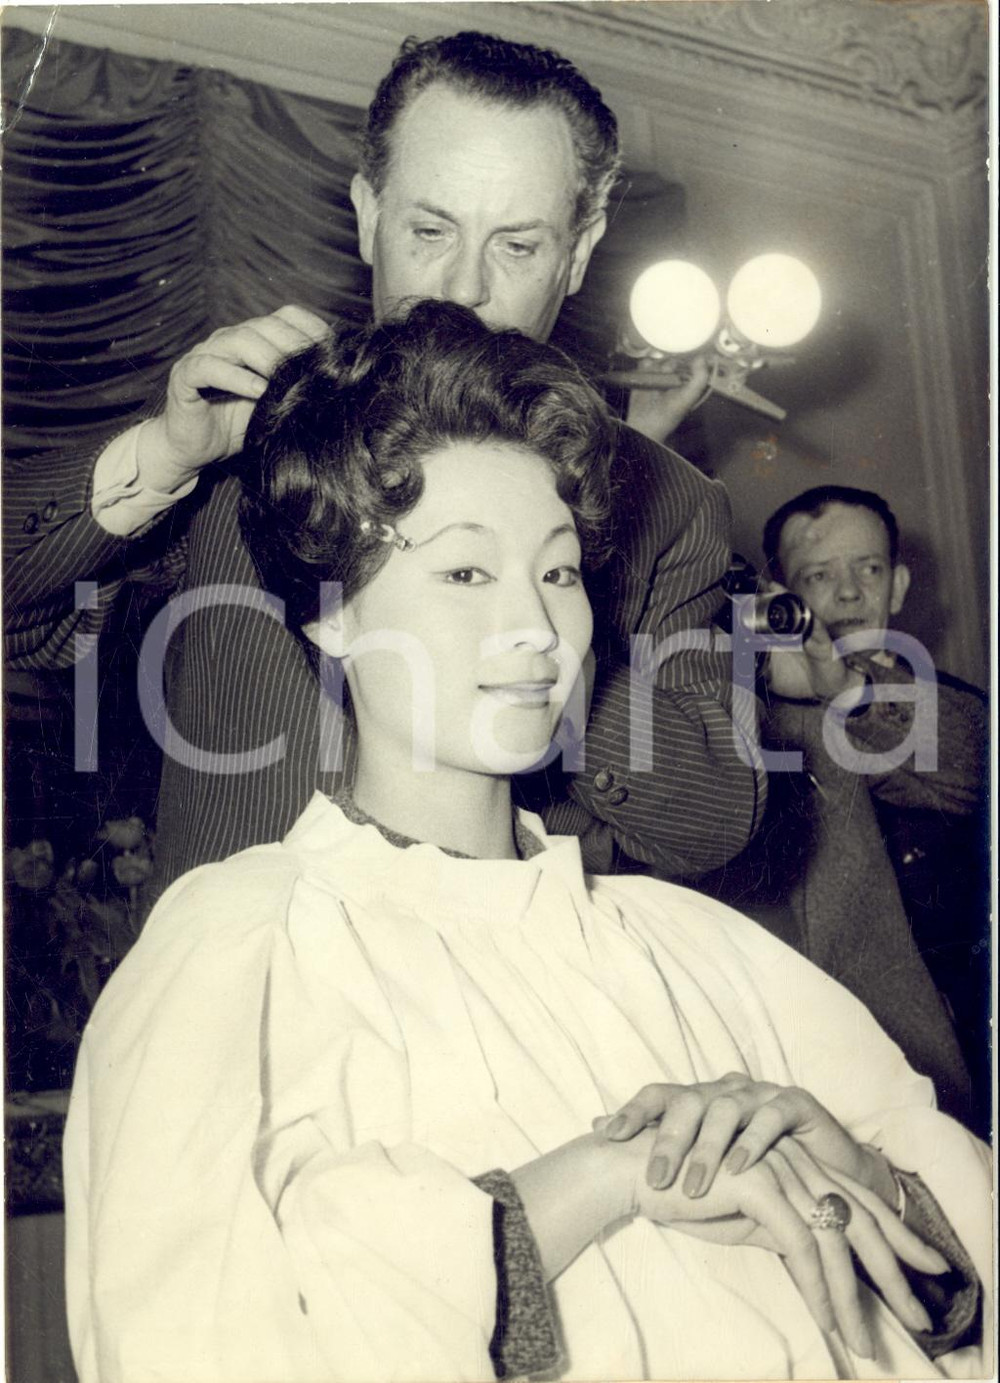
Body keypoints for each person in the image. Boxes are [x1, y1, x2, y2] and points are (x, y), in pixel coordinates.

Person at [64, 303, 989, 1383]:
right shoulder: (242, 950)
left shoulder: (696, 945)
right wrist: (600, 1179)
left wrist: (863, 1179)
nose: (538, 630)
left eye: (557, 573)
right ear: (330, 613)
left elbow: (953, 1294)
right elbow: (189, 1346)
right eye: (465, 573)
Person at [4, 31, 762, 902]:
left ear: (580, 249)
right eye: (430, 229)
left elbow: (712, 821)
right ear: (368, 214)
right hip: (247, 974)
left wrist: (542, 638)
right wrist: (166, 456)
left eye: (517, 246)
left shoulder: (669, 502)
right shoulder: (249, 433)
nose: (463, 287)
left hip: (510, 978)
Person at [753, 485, 990, 1136]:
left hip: (963, 1029)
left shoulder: (957, 708)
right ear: (781, 600)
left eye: (870, 568)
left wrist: (846, 688)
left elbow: (965, 768)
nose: (850, 592)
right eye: (818, 576)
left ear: (899, 584)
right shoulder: (760, 723)